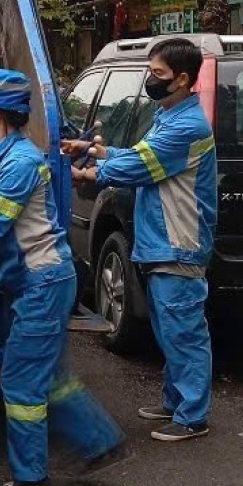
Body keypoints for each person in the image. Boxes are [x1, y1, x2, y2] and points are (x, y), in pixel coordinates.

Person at [0, 69, 127, 486]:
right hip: (35, 281)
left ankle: (31, 479)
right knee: (50, 374)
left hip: (42, 281)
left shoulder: (21, 163)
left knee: (21, 381)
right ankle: (99, 442)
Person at [67, 38, 217, 442]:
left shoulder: (187, 126)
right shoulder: (169, 116)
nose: (150, 81)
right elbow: (139, 153)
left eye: (158, 75)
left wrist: (90, 172)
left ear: (183, 79)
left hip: (179, 241)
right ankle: (175, 401)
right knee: (169, 328)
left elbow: (142, 165)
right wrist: (94, 151)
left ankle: (192, 416)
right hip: (160, 240)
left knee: (183, 331)